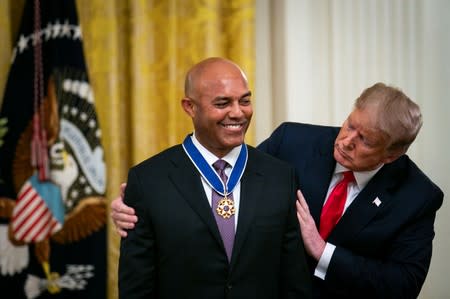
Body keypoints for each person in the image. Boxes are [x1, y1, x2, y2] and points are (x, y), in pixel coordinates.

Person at [112, 82, 443, 299]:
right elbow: (228, 185)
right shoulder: (293, 142)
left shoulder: (417, 196)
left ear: (392, 155)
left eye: (365, 140)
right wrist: (147, 202)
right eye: (349, 124)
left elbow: (403, 285)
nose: (345, 140)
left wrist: (322, 250)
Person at [117, 57, 312, 299]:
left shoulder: (280, 177)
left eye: (245, 101)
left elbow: (294, 282)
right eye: (222, 103)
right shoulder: (148, 181)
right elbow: (136, 288)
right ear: (190, 107)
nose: (238, 113)